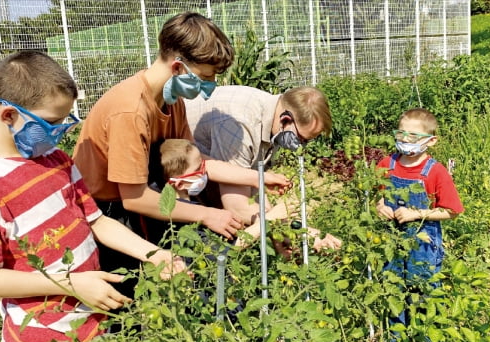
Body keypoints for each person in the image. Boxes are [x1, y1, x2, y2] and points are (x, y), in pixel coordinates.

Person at [0, 51, 186, 342]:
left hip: (96, 327)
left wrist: (155, 253)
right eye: (50, 123)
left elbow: (97, 221)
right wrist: (73, 284)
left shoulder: (55, 160)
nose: (59, 133)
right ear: (8, 114)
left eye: (65, 121)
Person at [72, 12, 290, 298]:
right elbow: (134, 197)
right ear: (177, 67)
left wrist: (259, 177)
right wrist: (207, 214)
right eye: (205, 77)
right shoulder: (130, 111)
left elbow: (197, 163)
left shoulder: (171, 101)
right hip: (108, 214)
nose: (209, 88)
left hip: (152, 198)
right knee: (127, 299)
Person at [153, 139, 341, 252]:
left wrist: (303, 231)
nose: (206, 170)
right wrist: (271, 217)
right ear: (178, 183)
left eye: (204, 164)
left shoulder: (194, 201)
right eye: (198, 168)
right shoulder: (180, 218)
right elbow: (227, 250)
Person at [184, 85, 332, 225]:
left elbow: (251, 184)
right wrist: (298, 232)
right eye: (300, 139)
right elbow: (236, 206)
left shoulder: (275, 117)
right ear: (285, 120)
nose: (300, 147)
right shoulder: (240, 126)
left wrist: (275, 229)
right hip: (173, 177)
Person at [375, 107, 464, 326]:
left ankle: (424, 337)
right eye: (401, 134)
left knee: (422, 285)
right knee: (391, 283)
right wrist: (379, 206)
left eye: (413, 136)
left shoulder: (435, 171)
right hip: (391, 239)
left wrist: (416, 214)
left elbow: (451, 211)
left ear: (431, 140)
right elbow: (378, 194)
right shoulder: (387, 164)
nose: (405, 140)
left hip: (423, 241)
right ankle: (396, 338)